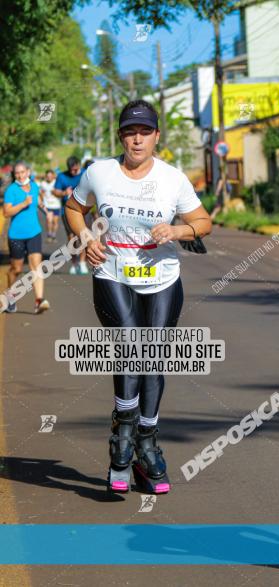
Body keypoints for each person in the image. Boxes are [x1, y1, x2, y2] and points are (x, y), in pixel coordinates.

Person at [65, 100, 212, 494]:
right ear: (121, 136)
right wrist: (83, 237)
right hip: (112, 273)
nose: (137, 139)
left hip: (162, 278)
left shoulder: (173, 179)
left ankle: (146, 444)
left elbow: (203, 222)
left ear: (156, 137)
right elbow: (73, 207)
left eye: (145, 131)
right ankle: (123, 440)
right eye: (130, 131)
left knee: (154, 356)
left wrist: (178, 232)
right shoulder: (100, 172)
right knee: (133, 345)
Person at [3, 161, 50, 314]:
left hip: (34, 232)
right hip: (16, 236)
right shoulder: (11, 190)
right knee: (16, 269)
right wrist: (23, 203)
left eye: (22, 172)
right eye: (17, 173)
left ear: (28, 172)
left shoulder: (34, 186)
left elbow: (38, 200)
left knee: (36, 267)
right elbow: (6, 212)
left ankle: (39, 301)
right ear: (14, 174)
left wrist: (45, 210)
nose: (20, 175)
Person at [54, 156, 88, 274]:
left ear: (79, 165)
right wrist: (64, 192)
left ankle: (83, 263)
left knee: (83, 236)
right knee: (71, 239)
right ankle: (74, 263)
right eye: (71, 170)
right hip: (67, 211)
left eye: (75, 169)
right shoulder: (62, 176)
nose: (73, 172)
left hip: (84, 210)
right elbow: (55, 191)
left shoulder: (86, 173)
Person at [40, 169, 60, 242]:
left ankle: (54, 235)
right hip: (48, 205)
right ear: (46, 176)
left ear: (53, 176)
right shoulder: (43, 184)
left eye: (50, 176)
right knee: (49, 220)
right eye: (48, 176)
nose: (49, 177)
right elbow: (41, 192)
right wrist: (42, 199)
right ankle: (49, 235)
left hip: (56, 205)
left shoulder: (56, 183)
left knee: (55, 222)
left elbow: (60, 191)